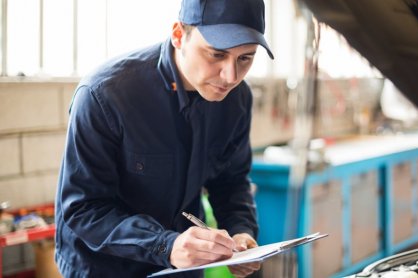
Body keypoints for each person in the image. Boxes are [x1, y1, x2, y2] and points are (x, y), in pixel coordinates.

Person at [54, 0, 274, 277]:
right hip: (104, 266)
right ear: (179, 35)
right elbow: (83, 209)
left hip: (184, 265)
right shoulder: (105, 95)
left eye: (245, 58)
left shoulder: (237, 100)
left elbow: (230, 182)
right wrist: (164, 245)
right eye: (217, 54)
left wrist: (242, 232)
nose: (231, 76)